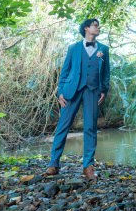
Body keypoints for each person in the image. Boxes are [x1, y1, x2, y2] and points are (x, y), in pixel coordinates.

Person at [45, 18, 110, 179]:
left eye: (98, 26)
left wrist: (104, 90)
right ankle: (53, 164)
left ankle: (88, 167)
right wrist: (60, 92)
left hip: (93, 91)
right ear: (86, 28)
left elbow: (106, 72)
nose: (98, 28)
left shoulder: (104, 49)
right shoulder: (73, 48)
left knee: (90, 128)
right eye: (95, 25)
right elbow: (65, 71)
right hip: (71, 91)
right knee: (63, 126)